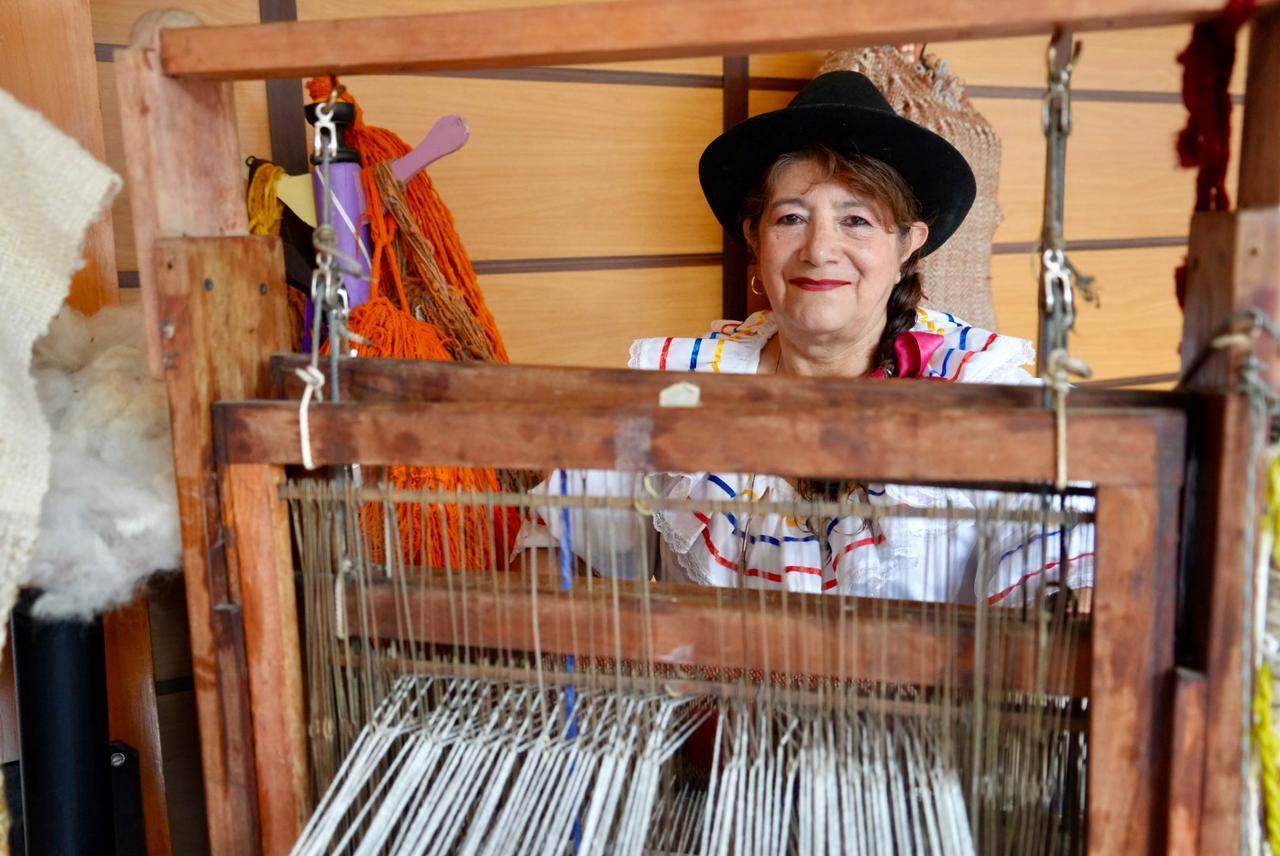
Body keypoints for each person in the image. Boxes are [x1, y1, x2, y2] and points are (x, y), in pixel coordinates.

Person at [514, 71, 1093, 606]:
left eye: (856, 221)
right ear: (755, 238)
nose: (818, 250)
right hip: (715, 717)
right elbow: (554, 538)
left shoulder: (979, 391)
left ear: (907, 245)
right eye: (790, 218)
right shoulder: (688, 387)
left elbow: (1071, 568)